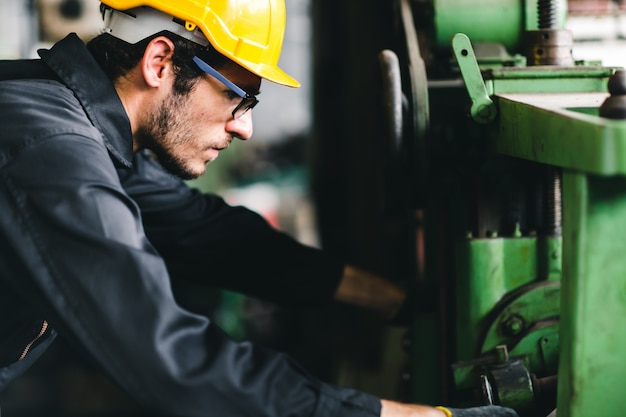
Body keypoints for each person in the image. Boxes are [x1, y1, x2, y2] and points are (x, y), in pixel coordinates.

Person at [0, 1, 519, 416]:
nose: (244, 127)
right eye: (237, 96)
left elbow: (208, 234)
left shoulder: (76, 123)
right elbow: (168, 358)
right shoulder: (51, 148)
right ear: (159, 61)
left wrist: (398, 300)